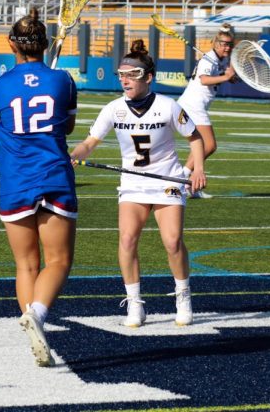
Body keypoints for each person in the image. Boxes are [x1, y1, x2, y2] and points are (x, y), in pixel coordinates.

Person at [70, 40, 207, 328]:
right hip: (132, 184)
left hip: (167, 180)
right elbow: (89, 143)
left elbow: (195, 138)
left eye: (131, 75)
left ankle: (183, 294)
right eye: (121, 74)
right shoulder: (113, 109)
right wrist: (72, 156)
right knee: (127, 240)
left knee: (172, 242)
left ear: (147, 77)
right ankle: (135, 303)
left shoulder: (169, 107)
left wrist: (197, 171)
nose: (124, 80)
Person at [0, 10, 77, 367]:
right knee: (58, 260)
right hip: (54, 175)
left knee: (26, 264)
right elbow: (67, 127)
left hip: (15, 180)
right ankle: (37, 316)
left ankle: (32, 323)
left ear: (11, 43)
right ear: (45, 43)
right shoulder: (64, 81)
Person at [176, 23, 236, 198]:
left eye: (229, 44)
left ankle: (188, 187)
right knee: (209, 145)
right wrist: (225, 77)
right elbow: (203, 80)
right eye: (224, 44)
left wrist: (228, 78)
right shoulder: (207, 58)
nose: (227, 47)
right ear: (215, 44)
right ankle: (183, 175)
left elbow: (217, 78)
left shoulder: (219, 60)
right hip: (193, 105)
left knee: (200, 144)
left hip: (194, 105)